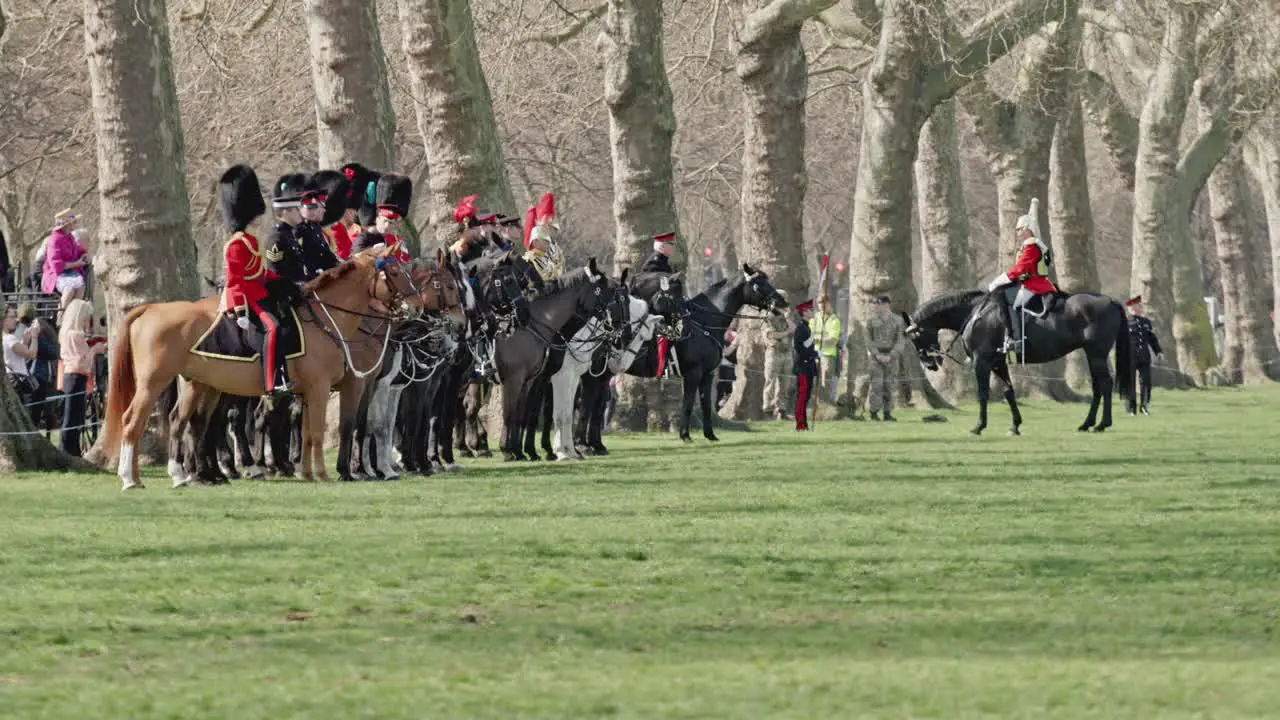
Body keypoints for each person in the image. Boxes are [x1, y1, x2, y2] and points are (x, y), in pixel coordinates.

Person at [219, 165, 291, 395]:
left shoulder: (251, 239)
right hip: (247, 298)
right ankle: (272, 382)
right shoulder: (237, 244)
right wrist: (241, 311)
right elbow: (235, 281)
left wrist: (281, 280)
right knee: (272, 327)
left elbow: (259, 271)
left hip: (259, 291)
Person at [985, 198, 1056, 354]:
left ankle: (1016, 339)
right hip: (1029, 282)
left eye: (1020, 229)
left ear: (1028, 229)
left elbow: (1021, 268)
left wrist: (998, 281)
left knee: (1010, 302)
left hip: (1035, 285)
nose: (1017, 233)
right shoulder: (1030, 245)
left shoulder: (1032, 245)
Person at [58, 299, 106, 456]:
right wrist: (94, 351)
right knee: (72, 417)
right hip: (76, 376)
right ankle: (67, 450)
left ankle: (72, 450)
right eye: (87, 317)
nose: (88, 321)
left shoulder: (66, 334)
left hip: (72, 376)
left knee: (74, 416)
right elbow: (81, 362)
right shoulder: (76, 336)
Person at [864, 295, 905, 421]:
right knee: (876, 385)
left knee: (889, 385)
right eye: (875, 304)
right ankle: (874, 412)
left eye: (879, 304)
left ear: (886, 305)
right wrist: (876, 354)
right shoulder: (871, 320)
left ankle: (887, 413)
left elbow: (901, 340)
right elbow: (868, 339)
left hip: (891, 358)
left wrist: (891, 355)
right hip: (876, 357)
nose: (876, 306)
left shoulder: (898, 321)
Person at [41, 209, 91, 314]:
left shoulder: (70, 237)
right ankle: (61, 317)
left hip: (71, 273)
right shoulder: (54, 240)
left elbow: (77, 251)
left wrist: (84, 255)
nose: (76, 224)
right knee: (69, 290)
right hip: (56, 275)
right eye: (74, 222)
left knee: (81, 287)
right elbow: (56, 266)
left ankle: (74, 317)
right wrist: (76, 264)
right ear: (67, 225)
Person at [263, 174, 310, 285]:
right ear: (285, 211)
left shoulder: (291, 234)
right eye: (297, 209)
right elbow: (277, 276)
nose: (302, 213)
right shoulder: (276, 238)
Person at [356, 173, 413, 263]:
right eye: (387, 221)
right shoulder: (364, 240)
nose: (389, 226)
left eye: (394, 223)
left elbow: (406, 262)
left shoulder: (396, 239)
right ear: (377, 218)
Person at [643, 232, 678, 377]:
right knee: (664, 334)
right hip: (654, 309)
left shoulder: (663, 262)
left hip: (664, 305)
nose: (673, 248)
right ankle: (660, 368)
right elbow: (652, 288)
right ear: (663, 246)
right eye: (671, 244)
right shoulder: (654, 263)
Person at [1126, 295, 1163, 415]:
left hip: (1144, 356)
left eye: (1140, 306)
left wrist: (1158, 351)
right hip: (1130, 356)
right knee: (1130, 383)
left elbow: (1152, 339)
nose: (1140, 308)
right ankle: (1131, 408)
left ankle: (1144, 406)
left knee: (1146, 382)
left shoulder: (1146, 322)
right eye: (1137, 306)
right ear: (1131, 308)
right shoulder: (1125, 322)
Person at [296, 183, 342, 276]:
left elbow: (325, 252)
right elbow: (300, 261)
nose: (324, 210)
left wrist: (339, 263)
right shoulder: (298, 230)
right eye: (321, 207)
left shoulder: (315, 227)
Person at [522, 192, 566, 282]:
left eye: (551, 218)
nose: (549, 221)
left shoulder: (553, 242)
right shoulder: (537, 236)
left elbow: (561, 263)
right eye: (547, 217)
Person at [3, 305, 41, 406]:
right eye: (11, 317)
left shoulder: (5, 338)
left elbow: (19, 356)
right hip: (17, 381)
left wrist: (25, 340)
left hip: (11, 379)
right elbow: (32, 354)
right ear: (3, 319)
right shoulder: (9, 338)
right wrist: (34, 336)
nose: (15, 320)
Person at [792, 299, 819, 431]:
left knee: (806, 396)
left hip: (809, 367)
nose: (812, 312)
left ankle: (804, 423)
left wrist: (815, 353)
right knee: (802, 396)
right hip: (803, 366)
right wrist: (812, 354)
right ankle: (800, 424)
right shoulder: (800, 328)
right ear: (804, 312)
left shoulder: (807, 327)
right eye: (810, 310)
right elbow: (799, 348)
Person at [763, 311, 796, 420]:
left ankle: (781, 410)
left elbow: (794, 330)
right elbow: (772, 335)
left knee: (785, 384)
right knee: (770, 383)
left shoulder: (788, 318)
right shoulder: (769, 316)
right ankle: (768, 410)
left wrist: (788, 319)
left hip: (787, 354)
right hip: (774, 353)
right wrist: (787, 332)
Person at [814, 294, 842, 402]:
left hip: (828, 356)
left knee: (827, 382)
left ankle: (829, 405)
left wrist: (816, 339)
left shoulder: (834, 320)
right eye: (819, 303)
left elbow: (832, 341)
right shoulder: (816, 317)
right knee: (817, 382)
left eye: (823, 302)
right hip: (816, 354)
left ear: (828, 303)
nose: (821, 305)